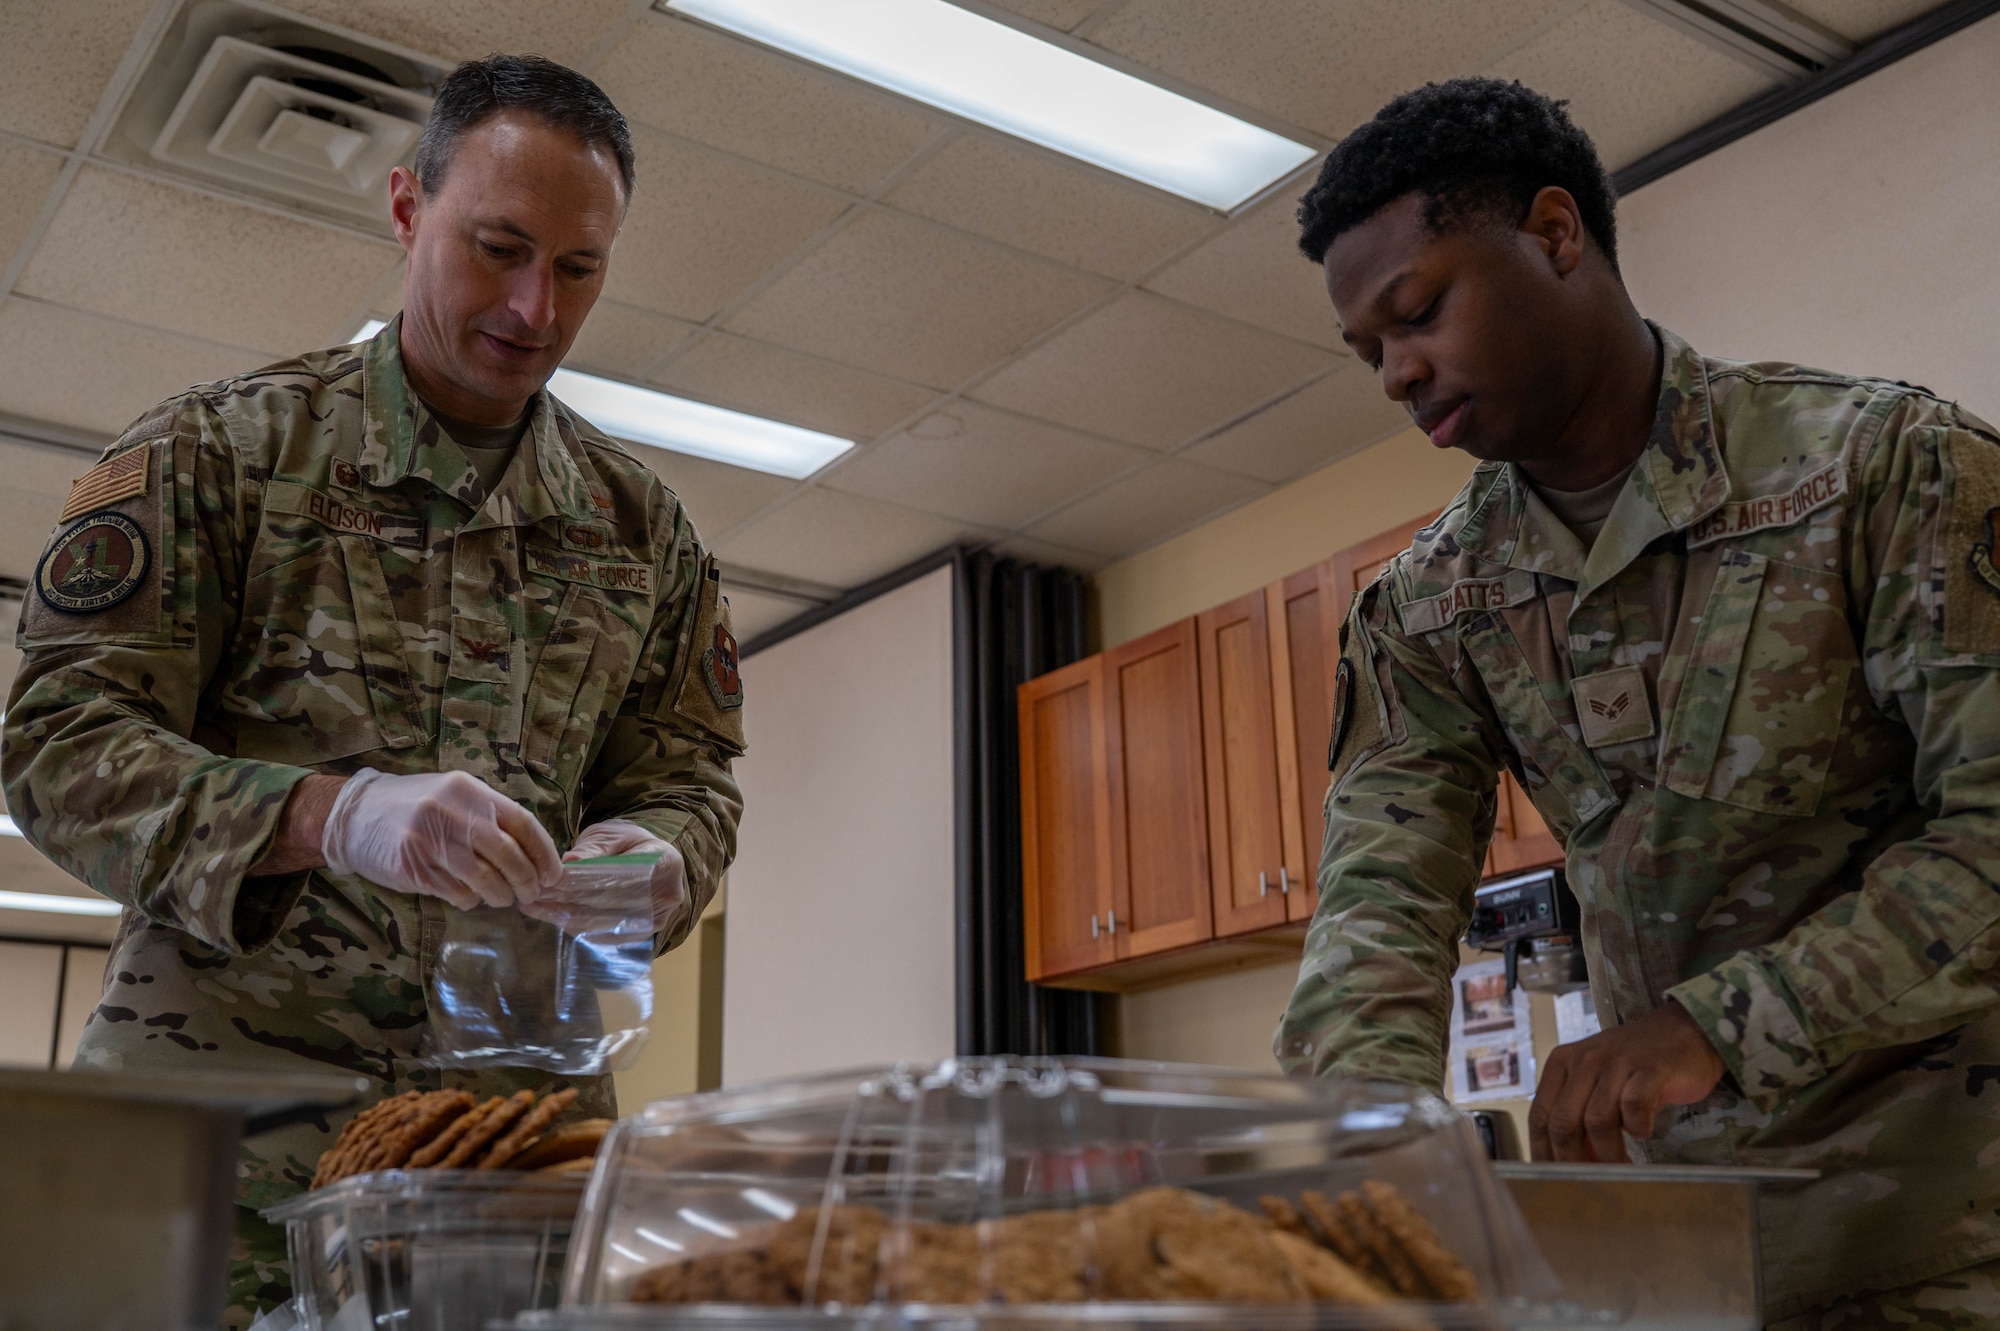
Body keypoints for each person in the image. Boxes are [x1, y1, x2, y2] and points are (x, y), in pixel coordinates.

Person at [1, 55, 744, 1326]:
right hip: (228, 1114)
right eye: (498, 247)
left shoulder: (642, 528)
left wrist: (661, 859)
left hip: (510, 1136)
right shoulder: (219, 450)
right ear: (407, 209)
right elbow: (56, 748)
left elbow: (688, 776)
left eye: (578, 268)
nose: (534, 307)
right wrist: (329, 815)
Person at [1273, 78, 2000, 1328]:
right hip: (1684, 1238)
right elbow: (1378, 895)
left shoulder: (1880, 467)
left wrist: (1707, 1023)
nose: (1396, 373)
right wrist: (1369, 1128)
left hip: (1947, 1221)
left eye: (1415, 311)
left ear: (1555, 235)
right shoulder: (1433, 602)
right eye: (1367, 352)